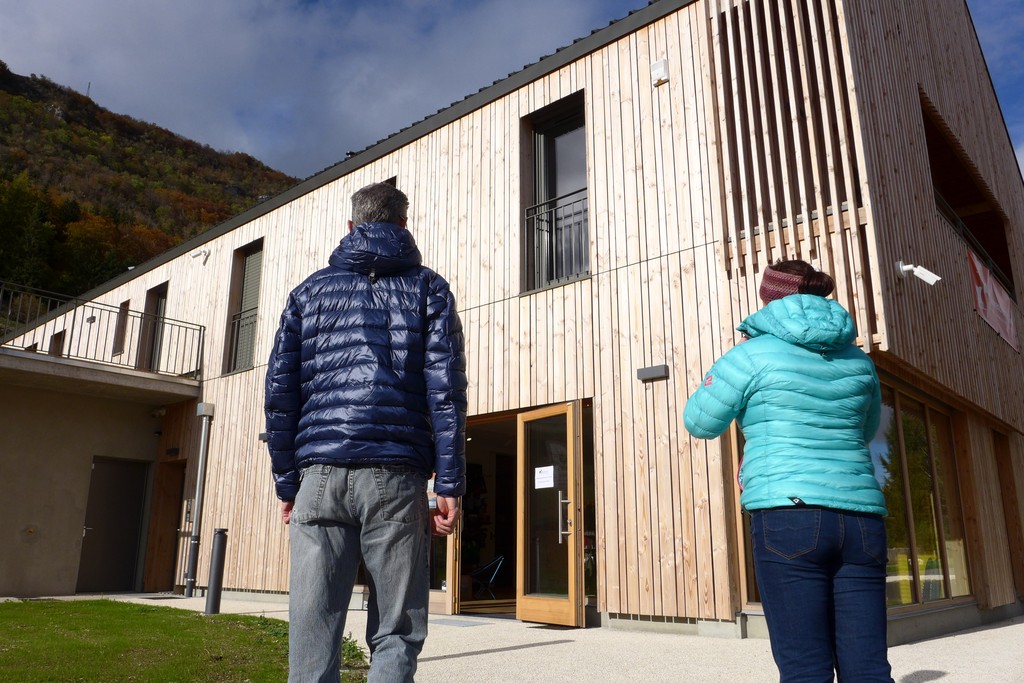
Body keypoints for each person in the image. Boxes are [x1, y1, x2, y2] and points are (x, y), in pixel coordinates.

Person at [265, 182, 467, 682]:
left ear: (351, 227)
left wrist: (288, 483)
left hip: (319, 474)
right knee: (396, 629)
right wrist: (448, 485)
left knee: (312, 626)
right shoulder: (428, 288)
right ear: (403, 225)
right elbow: (446, 394)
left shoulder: (308, 293)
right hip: (395, 478)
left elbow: (279, 395)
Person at [683, 260, 893, 682]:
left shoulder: (751, 355)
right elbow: (866, 430)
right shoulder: (858, 360)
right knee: (868, 666)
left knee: (804, 668)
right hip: (862, 518)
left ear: (770, 299)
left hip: (788, 514)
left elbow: (700, 423)